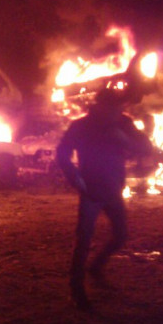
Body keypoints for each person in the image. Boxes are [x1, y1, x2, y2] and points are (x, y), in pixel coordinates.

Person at [55, 87, 155, 311]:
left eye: (118, 107)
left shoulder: (123, 123)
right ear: (100, 106)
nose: (116, 111)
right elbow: (62, 152)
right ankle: (76, 289)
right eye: (112, 107)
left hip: (113, 189)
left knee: (120, 236)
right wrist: (74, 177)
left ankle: (96, 266)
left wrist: (124, 139)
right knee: (83, 240)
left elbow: (146, 147)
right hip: (90, 190)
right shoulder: (81, 126)